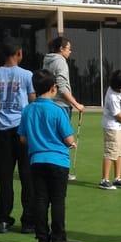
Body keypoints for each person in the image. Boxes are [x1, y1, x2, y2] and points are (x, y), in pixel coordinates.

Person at [18, 69, 81, 242]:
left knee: (40, 200)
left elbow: (22, 138)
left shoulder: (28, 110)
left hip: (36, 160)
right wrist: (72, 143)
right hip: (58, 161)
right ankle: (58, 239)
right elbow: (68, 139)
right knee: (57, 201)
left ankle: (43, 240)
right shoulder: (58, 110)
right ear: (53, 88)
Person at [0, 38, 36, 234]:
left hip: (2, 130)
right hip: (22, 129)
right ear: (18, 53)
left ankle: (3, 219)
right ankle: (28, 221)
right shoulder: (27, 75)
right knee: (27, 177)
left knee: (4, 177)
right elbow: (32, 100)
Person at [43, 36, 85, 181]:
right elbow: (61, 86)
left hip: (49, 103)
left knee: (51, 137)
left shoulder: (47, 60)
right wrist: (76, 104)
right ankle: (61, 171)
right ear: (61, 49)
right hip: (61, 105)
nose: (70, 51)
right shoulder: (60, 62)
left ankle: (50, 169)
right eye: (68, 48)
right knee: (63, 138)